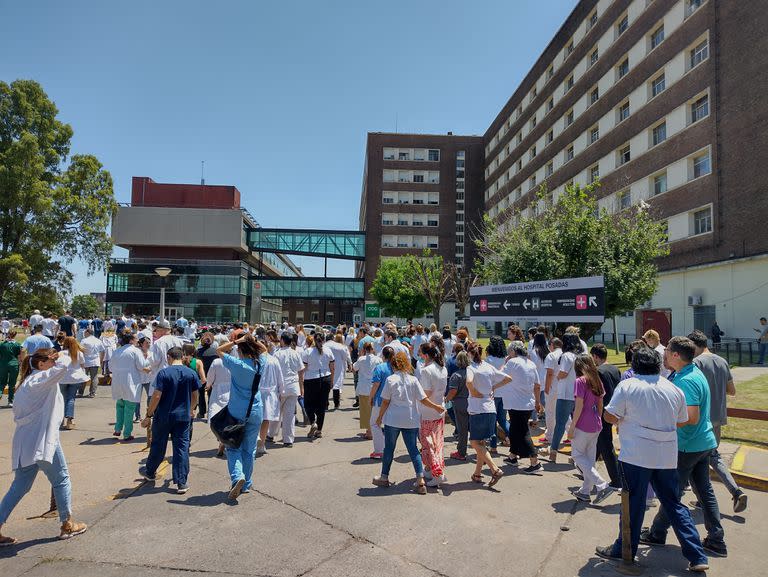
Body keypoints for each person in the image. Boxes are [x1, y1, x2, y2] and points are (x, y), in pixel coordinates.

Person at [595, 345, 709, 573]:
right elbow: (681, 419)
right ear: (657, 365)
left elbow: (609, 416)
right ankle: (697, 554)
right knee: (673, 503)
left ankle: (624, 549)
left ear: (634, 365)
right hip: (666, 454)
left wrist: (626, 421)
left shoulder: (627, 386)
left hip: (636, 454)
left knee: (633, 505)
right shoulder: (673, 388)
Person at [641, 336, 727, 558]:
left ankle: (657, 533)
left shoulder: (686, 380)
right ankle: (716, 539)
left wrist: (664, 424)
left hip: (688, 445)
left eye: (667, 351)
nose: (665, 354)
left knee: (672, 493)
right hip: (703, 442)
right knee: (704, 491)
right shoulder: (690, 373)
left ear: (676, 355)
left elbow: (691, 416)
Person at [0, 348, 88, 545]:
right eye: (51, 360)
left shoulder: (27, 383)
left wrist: (57, 354)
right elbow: (64, 366)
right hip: (43, 439)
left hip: (26, 440)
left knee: (20, 486)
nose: (54, 363)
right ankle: (67, 524)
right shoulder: (40, 380)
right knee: (62, 479)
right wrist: (62, 354)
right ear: (41, 364)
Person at [687, 330, 747, 512]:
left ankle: (705, 499)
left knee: (695, 460)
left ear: (695, 345)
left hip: (700, 419)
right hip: (718, 418)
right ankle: (735, 491)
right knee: (712, 457)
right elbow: (732, 390)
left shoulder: (695, 363)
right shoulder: (722, 361)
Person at [372, 351, 445, 494]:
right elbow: (423, 399)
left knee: (389, 449)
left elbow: (385, 401)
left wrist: (379, 417)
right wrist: (436, 406)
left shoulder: (391, 379)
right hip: (411, 419)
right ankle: (420, 479)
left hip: (393, 419)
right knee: (413, 449)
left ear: (393, 364)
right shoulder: (413, 380)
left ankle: (384, 476)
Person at [140, 347, 200, 494]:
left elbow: (156, 396)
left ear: (169, 357)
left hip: (164, 416)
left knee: (158, 445)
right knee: (181, 447)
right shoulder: (191, 373)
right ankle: (181, 482)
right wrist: (191, 409)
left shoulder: (164, 373)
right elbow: (195, 396)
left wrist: (148, 414)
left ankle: (150, 471)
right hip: (183, 417)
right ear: (182, 356)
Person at [215, 335, 264, 498]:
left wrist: (236, 341)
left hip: (237, 411)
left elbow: (219, 350)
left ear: (240, 351)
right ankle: (247, 483)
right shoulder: (259, 363)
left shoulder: (237, 364)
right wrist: (251, 340)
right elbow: (263, 349)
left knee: (233, 446)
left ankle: (238, 477)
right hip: (256, 410)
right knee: (249, 450)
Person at [568, 355, 615, 504]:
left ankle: (601, 484)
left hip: (583, 423)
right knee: (589, 458)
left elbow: (579, 406)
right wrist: (599, 420)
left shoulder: (580, 381)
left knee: (577, 455)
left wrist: (572, 426)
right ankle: (585, 491)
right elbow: (600, 404)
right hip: (596, 423)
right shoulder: (597, 381)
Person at [464, 342, 512, 484]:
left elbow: (468, 381)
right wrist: (492, 387)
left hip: (478, 409)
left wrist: (474, 392)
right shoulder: (488, 367)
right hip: (490, 409)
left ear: (470, 353)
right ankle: (477, 474)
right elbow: (508, 378)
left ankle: (495, 469)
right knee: (481, 443)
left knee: (474, 442)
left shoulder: (471, 367)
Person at [498, 343, 541, 473]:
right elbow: (537, 385)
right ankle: (512, 456)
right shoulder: (531, 364)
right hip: (528, 403)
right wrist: (538, 402)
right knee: (516, 429)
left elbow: (500, 375)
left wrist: (505, 362)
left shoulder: (512, 362)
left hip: (515, 403)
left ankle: (535, 461)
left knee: (522, 431)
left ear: (514, 352)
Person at [590, 343, 621, 490]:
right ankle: (587, 469)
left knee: (606, 445)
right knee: (599, 442)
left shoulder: (598, 371)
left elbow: (597, 394)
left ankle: (616, 479)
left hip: (603, 411)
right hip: (614, 409)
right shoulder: (615, 369)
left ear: (596, 356)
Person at [110, 330, 150, 441]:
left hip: (118, 381)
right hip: (131, 382)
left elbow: (110, 367)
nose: (137, 340)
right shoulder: (135, 351)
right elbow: (142, 365)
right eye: (136, 338)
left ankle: (118, 429)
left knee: (120, 406)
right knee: (129, 408)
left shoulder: (117, 351)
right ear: (131, 340)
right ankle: (127, 433)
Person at [417, 343, 448, 487]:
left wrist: (416, 394)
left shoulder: (426, 371)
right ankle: (432, 470)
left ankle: (438, 473)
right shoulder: (442, 368)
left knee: (429, 444)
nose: (419, 356)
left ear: (426, 355)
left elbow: (426, 394)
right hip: (439, 408)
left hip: (429, 410)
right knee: (437, 443)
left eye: (420, 353)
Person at [549, 333, 581, 462]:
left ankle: (553, 452)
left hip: (565, 393)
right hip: (577, 393)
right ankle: (576, 454)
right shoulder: (579, 356)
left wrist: (556, 377)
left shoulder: (566, 356)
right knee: (577, 424)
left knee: (560, 424)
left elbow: (563, 373)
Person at [270, 333, 305, 447]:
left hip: (281, 386)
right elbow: (301, 371)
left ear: (282, 341)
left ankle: (271, 434)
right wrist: (301, 386)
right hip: (294, 386)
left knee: (276, 412)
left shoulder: (277, 354)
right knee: (290, 415)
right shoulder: (296, 353)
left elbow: (274, 372)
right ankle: (288, 440)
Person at [301, 332, 335, 439]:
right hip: (326, 378)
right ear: (324, 340)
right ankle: (319, 430)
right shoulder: (328, 351)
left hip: (311, 379)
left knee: (308, 403)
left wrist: (300, 382)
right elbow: (332, 367)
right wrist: (332, 381)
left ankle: (313, 422)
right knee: (321, 406)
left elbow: (304, 368)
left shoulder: (308, 351)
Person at [256, 343, 283, 455]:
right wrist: (281, 391)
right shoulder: (273, 360)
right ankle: (261, 444)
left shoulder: (255, 360)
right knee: (266, 420)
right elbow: (279, 378)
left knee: (256, 418)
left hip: (257, 392)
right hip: (270, 393)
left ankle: (257, 439)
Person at [368, 346, 394, 459]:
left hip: (380, 400)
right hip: (394, 400)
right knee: (389, 425)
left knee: (374, 423)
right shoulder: (395, 367)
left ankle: (379, 450)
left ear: (383, 355)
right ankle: (387, 448)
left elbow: (376, 384)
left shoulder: (379, 368)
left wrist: (370, 397)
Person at [484, 336, 509, 451]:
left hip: (493, 392)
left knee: (492, 421)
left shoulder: (489, 359)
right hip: (504, 392)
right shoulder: (505, 358)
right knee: (503, 420)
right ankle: (513, 438)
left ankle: (493, 446)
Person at [58, 337, 88, 430]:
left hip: (62, 378)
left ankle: (60, 419)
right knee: (71, 398)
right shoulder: (79, 353)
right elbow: (83, 366)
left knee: (61, 399)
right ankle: (70, 420)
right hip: (75, 378)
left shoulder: (61, 353)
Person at [446, 351, 471, 460]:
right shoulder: (472, 373)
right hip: (473, 402)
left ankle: (461, 452)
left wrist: (446, 399)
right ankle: (481, 452)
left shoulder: (456, 376)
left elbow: (452, 392)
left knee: (462, 430)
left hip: (460, 404)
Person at [352, 341, 379, 441]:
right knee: (374, 410)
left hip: (363, 387)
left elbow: (354, 368)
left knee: (365, 410)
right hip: (375, 387)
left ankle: (369, 431)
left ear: (364, 350)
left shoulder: (361, 359)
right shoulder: (378, 359)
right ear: (372, 349)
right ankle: (373, 430)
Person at [148, 320, 184, 390]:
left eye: (156, 331)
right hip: (177, 373)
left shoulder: (158, 342)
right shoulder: (179, 341)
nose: (155, 333)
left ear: (161, 331)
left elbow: (155, 360)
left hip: (162, 374)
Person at [542, 337, 563, 444]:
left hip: (552, 387)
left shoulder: (551, 355)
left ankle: (550, 435)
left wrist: (546, 387)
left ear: (551, 345)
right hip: (562, 387)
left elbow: (550, 373)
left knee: (550, 412)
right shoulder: (565, 354)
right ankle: (569, 434)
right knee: (563, 413)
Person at [195, 333, 218, 419]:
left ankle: (201, 412)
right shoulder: (215, 351)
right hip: (212, 376)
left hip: (201, 376)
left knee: (201, 394)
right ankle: (210, 412)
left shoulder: (197, 352)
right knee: (211, 395)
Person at [327, 333, 351, 409]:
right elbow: (345, 357)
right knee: (336, 384)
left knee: (326, 385)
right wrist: (349, 364)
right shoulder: (340, 346)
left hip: (326, 366)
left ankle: (325, 404)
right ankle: (336, 403)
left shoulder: (324, 346)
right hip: (337, 366)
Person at [79, 329, 104, 398]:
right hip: (95, 360)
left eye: (85, 333)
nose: (84, 334)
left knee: (83, 376)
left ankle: (80, 392)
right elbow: (102, 351)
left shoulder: (84, 340)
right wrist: (101, 360)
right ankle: (92, 393)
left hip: (85, 360)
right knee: (94, 377)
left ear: (88, 333)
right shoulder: (98, 340)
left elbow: (80, 350)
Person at [0, 330, 22, 407]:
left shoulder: (2, 344)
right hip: (14, 365)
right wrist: (21, 365)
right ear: (15, 335)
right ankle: (10, 401)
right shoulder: (17, 345)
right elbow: (19, 357)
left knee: (2, 383)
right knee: (12, 384)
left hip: (3, 365)